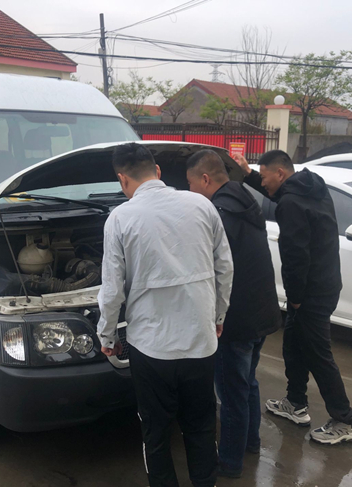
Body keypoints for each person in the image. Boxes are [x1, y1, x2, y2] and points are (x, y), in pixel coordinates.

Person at [97, 143, 234, 487]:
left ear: (122, 179)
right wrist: (218, 317)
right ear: (157, 171)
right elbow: (225, 268)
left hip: (151, 349)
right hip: (200, 342)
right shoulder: (202, 205)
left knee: (155, 431)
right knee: (201, 426)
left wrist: (107, 335)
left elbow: (112, 290)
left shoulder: (120, 219)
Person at [233, 150, 352, 445]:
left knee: (318, 354)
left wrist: (295, 299)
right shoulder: (311, 186)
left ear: (280, 174)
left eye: (264, 177)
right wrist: (249, 174)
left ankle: (345, 420)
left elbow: (296, 256)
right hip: (325, 284)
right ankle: (295, 403)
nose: (263, 183)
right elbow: (282, 195)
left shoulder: (291, 203)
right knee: (293, 344)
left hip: (310, 293)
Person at [185, 149, 282, 478]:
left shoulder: (219, 215)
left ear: (205, 179)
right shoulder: (244, 199)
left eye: (190, 185)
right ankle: (250, 442)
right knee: (247, 383)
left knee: (231, 394)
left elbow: (211, 272)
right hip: (262, 312)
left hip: (236, 320)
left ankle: (229, 463)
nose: (190, 192)